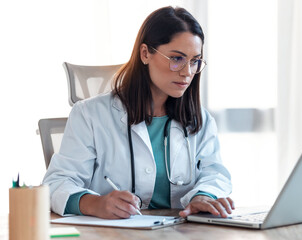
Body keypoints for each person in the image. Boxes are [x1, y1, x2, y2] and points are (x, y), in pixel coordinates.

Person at [43, 6, 234, 219]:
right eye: (176, 58)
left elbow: (215, 174)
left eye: (194, 61)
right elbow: (56, 183)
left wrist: (203, 196)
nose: (187, 72)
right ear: (145, 53)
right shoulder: (89, 114)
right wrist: (95, 204)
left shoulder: (200, 119)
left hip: (181, 232)